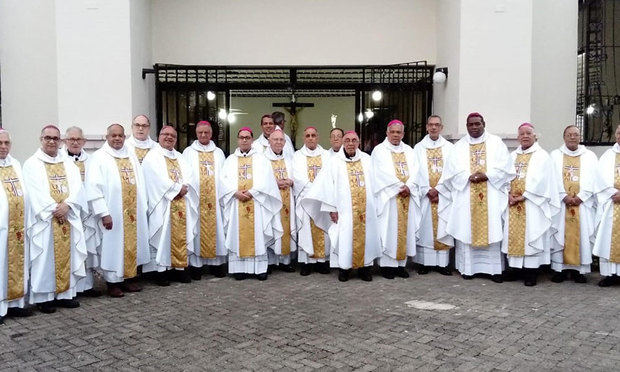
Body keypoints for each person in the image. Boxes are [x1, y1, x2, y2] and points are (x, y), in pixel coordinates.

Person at [439, 113, 514, 282]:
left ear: (483, 124)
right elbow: (451, 170)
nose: (474, 127)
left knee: (492, 228)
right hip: (466, 193)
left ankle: (494, 271)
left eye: (477, 124)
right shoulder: (459, 146)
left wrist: (487, 175)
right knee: (466, 228)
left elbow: (505, 167)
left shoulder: (496, 143)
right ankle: (468, 269)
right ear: (466, 126)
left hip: (491, 194)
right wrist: (468, 176)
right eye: (470, 124)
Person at [23, 125, 87, 313]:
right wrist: (54, 208)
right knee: (44, 258)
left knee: (69, 255)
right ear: (41, 139)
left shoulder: (68, 163)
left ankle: (65, 294)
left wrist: (68, 205)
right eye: (47, 138)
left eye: (55, 138)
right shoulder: (32, 163)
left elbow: (78, 188)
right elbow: (33, 192)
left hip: (68, 215)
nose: (51, 141)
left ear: (60, 141)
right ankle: (44, 297)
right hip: (45, 220)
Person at [303, 131, 381, 282]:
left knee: (367, 237)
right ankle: (344, 269)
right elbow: (326, 186)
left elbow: (376, 184)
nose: (351, 143)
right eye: (348, 140)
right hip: (344, 210)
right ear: (343, 142)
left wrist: (376, 205)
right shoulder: (334, 161)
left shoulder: (367, 159)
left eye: (354, 140)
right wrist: (331, 208)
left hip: (366, 210)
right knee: (344, 238)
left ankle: (365, 268)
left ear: (359, 143)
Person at [87, 124, 150, 297]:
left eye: (120, 136)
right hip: (112, 212)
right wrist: (103, 213)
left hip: (133, 212)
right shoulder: (99, 157)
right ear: (107, 137)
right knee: (112, 247)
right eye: (113, 135)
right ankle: (113, 282)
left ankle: (129, 278)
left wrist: (142, 206)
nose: (117, 138)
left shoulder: (130, 155)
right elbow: (93, 187)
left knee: (132, 244)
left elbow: (141, 183)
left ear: (124, 137)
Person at [501, 123, 560, 286]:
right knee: (514, 235)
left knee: (531, 234)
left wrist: (524, 196)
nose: (525, 136)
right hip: (513, 203)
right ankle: (515, 269)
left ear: (535, 136)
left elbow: (543, 181)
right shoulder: (512, 156)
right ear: (518, 137)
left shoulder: (542, 156)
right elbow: (505, 176)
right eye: (522, 134)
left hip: (533, 203)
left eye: (528, 133)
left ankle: (531, 272)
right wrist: (508, 193)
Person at [220, 127, 282, 280]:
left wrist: (251, 192)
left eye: (247, 137)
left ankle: (259, 269)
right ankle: (239, 269)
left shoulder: (261, 159)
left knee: (258, 234)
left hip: (256, 201)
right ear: (238, 139)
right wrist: (235, 192)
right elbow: (222, 181)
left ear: (252, 140)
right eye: (242, 137)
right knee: (237, 234)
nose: (244, 140)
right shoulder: (230, 160)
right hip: (236, 202)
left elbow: (267, 180)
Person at [142, 126, 198, 285]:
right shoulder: (152, 156)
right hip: (163, 205)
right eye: (165, 134)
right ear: (159, 136)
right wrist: (176, 188)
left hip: (182, 203)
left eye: (172, 135)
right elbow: (154, 178)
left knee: (181, 235)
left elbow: (189, 175)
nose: (169, 137)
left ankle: (180, 269)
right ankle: (161, 272)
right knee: (163, 237)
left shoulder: (180, 156)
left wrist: (185, 186)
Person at [550, 125, 599, 283]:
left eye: (576, 135)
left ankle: (579, 271)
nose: (572, 137)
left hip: (582, 204)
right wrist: (563, 196)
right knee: (560, 233)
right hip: (561, 203)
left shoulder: (590, 156)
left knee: (582, 234)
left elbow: (594, 179)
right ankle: (559, 270)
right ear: (564, 137)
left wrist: (581, 197)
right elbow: (552, 179)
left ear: (580, 137)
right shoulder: (555, 156)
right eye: (569, 134)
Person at [371, 120, 419, 279]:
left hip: (407, 197)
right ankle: (386, 266)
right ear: (387, 132)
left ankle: (400, 265)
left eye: (399, 132)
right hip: (389, 198)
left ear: (403, 134)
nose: (396, 135)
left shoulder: (410, 151)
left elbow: (417, 171)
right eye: (393, 132)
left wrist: (409, 187)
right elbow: (380, 173)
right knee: (388, 230)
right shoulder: (379, 151)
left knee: (405, 231)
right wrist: (400, 186)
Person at [182, 121, 228, 279]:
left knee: (217, 229)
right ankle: (197, 266)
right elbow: (185, 175)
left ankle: (217, 265)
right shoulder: (188, 152)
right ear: (196, 133)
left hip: (215, 200)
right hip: (197, 200)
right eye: (200, 132)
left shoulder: (218, 153)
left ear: (211, 134)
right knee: (196, 230)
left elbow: (224, 177)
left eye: (206, 132)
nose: (203, 135)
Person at [412, 115, 454, 275]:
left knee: (443, 226)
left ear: (441, 127)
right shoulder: (418, 148)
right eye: (431, 125)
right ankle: (424, 263)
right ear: (427, 127)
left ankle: (442, 264)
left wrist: (440, 189)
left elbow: (452, 171)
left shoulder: (450, 148)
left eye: (437, 125)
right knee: (425, 229)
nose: (434, 128)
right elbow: (415, 171)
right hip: (425, 196)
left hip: (443, 196)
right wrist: (426, 190)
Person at [64, 126, 101, 297]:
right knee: (73, 247)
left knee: (87, 246)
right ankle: (72, 287)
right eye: (71, 139)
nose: (75, 142)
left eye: (78, 139)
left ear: (84, 141)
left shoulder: (92, 160)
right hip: (70, 211)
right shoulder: (60, 160)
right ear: (65, 141)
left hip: (87, 211)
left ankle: (87, 285)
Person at [0, 130, 33, 323]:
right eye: (0, 143)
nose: (3, 147)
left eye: (6, 143)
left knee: (15, 265)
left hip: (17, 227)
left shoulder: (16, 164)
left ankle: (15, 305)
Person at [292, 126, 332, 276]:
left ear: (318, 137)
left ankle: (322, 262)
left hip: (322, 199)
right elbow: (298, 177)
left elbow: (329, 175)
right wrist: (314, 189)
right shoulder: (297, 156)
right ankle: (306, 262)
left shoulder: (326, 155)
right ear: (304, 138)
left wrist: (319, 191)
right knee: (305, 231)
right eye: (307, 135)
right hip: (305, 199)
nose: (310, 138)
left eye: (313, 135)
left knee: (323, 228)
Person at [264, 128, 296, 272]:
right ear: (269, 141)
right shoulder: (262, 159)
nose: (278, 142)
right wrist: (274, 183)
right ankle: (270, 262)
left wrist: (291, 181)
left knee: (285, 229)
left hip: (288, 201)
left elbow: (298, 177)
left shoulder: (290, 159)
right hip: (271, 201)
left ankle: (285, 261)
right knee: (272, 227)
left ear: (285, 142)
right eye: (275, 139)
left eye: (281, 140)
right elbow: (259, 180)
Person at [593, 125, 620, 287]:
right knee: (608, 237)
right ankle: (610, 274)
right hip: (611, 203)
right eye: (618, 133)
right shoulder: (607, 156)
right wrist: (613, 193)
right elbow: (600, 178)